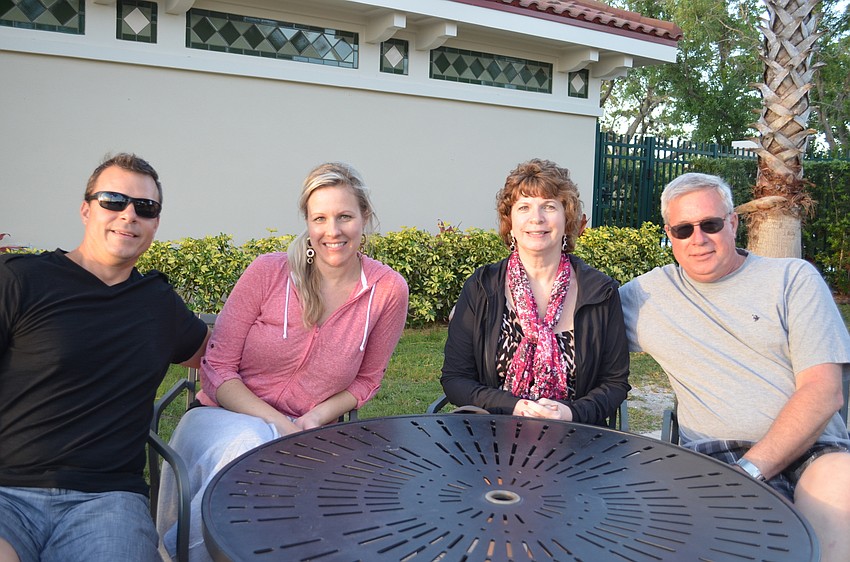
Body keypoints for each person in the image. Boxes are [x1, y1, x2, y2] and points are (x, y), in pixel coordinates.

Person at [157, 162, 409, 561]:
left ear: (365, 218)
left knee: (290, 470)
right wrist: (277, 424)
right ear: (307, 223)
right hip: (221, 419)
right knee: (255, 446)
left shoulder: (387, 290)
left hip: (307, 433)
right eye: (320, 218)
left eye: (345, 216)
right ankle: (174, 555)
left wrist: (313, 419)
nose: (334, 230)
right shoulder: (268, 272)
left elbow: (368, 380)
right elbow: (217, 366)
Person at [619, 172, 850, 562]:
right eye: (683, 229)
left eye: (710, 224)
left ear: (732, 223)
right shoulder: (643, 296)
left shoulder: (792, 279)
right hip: (713, 456)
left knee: (842, 484)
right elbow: (579, 337)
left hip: (814, 451)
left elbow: (824, 389)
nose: (699, 239)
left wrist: (751, 471)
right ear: (669, 234)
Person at [0, 153, 209, 562]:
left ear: (155, 223)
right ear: (86, 209)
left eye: (145, 207)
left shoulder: (158, 303)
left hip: (107, 502)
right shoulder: (21, 279)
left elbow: (222, 354)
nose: (129, 215)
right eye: (113, 200)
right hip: (6, 490)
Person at [441, 158, 630, 424]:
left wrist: (570, 413)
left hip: (577, 441)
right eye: (524, 207)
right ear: (511, 222)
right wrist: (515, 407)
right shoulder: (482, 287)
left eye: (549, 206)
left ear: (567, 219)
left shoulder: (600, 292)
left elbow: (614, 383)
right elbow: (455, 379)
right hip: (490, 438)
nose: (536, 218)